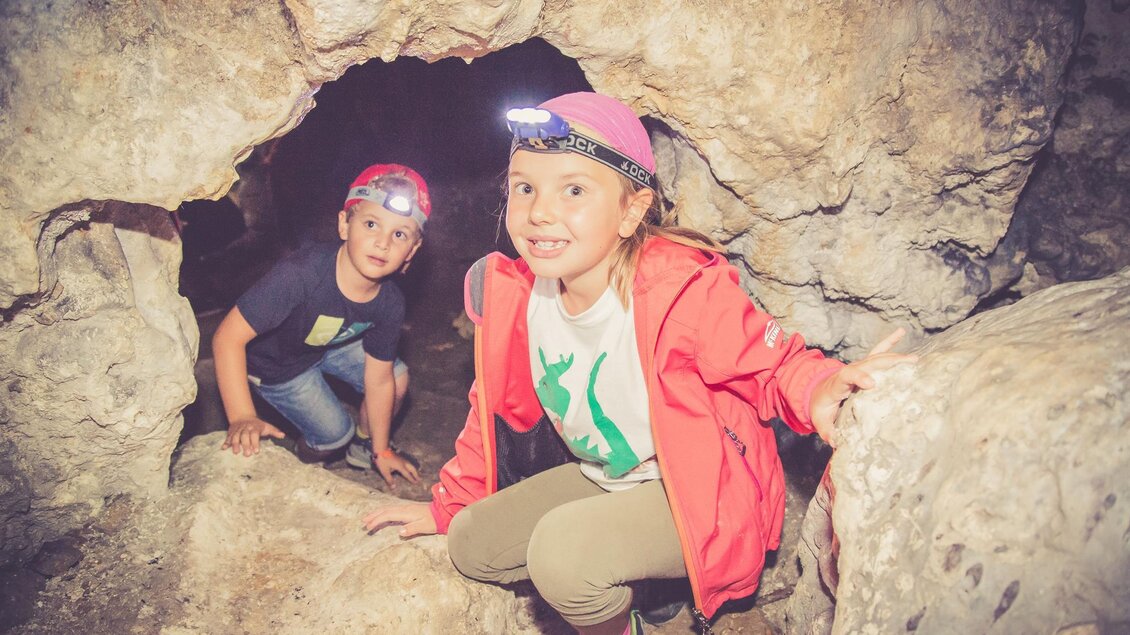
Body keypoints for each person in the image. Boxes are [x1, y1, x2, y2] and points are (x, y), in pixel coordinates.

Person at [362, 93, 913, 633]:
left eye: (573, 189)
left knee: (564, 557)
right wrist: (447, 506)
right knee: (471, 543)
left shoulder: (680, 291)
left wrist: (819, 387)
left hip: (692, 490)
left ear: (631, 210)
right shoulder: (512, 294)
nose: (540, 212)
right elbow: (488, 411)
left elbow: (770, 363)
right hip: (603, 475)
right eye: (524, 188)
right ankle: (643, 586)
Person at [214, 163, 428, 488]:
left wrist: (382, 450)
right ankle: (299, 462)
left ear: (412, 250)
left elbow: (379, 381)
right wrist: (242, 415)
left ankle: (365, 446)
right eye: (371, 224)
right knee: (333, 435)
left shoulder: (390, 301)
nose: (383, 242)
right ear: (344, 225)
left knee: (396, 378)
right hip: (277, 365)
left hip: (325, 343)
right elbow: (227, 338)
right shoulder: (301, 274)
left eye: (399, 234)